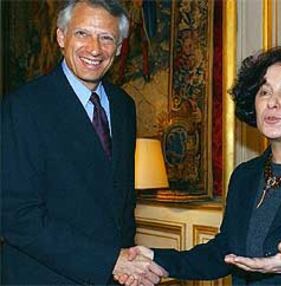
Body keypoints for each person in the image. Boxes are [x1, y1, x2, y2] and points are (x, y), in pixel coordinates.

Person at [115, 46, 281, 285]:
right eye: (264, 91)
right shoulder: (245, 175)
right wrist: (157, 258)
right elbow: (224, 253)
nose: (272, 101)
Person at [1, 0, 167, 284]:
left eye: (106, 38)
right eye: (82, 34)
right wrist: (109, 261)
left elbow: (123, 201)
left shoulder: (123, 105)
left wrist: (127, 267)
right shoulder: (23, 107)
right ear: (61, 37)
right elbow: (17, 217)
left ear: (118, 48)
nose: (94, 48)